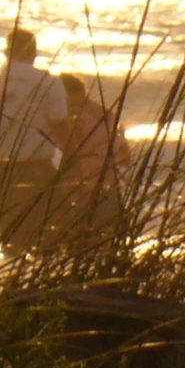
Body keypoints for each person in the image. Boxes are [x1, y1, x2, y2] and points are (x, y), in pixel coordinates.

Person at [0, 26, 72, 253]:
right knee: (47, 241)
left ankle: (13, 286)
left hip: (0, 173)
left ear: (7, 53)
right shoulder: (48, 83)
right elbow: (60, 127)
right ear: (34, 52)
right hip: (36, 171)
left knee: (11, 244)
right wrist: (76, 161)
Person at [47, 72, 131, 250]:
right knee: (110, 247)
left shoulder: (74, 116)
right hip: (111, 188)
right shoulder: (108, 115)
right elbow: (125, 156)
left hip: (84, 193)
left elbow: (72, 155)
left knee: (77, 248)